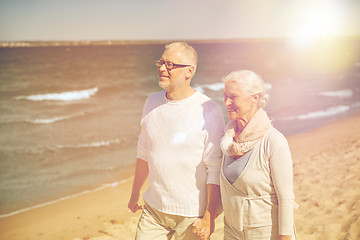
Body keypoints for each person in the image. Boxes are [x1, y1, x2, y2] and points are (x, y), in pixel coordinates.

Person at [128, 42, 225, 240]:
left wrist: (209, 216)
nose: (162, 69)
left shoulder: (209, 110)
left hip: (191, 215)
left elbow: (214, 167)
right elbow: (143, 153)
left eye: (170, 65)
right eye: (161, 63)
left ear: (189, 71)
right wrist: (135, 192)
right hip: (153, 210)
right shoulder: (151, 103)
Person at [220, 70, 296, 240]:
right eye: (225, 96)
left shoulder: (274, 141)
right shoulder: (227, 139)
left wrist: (284, 237)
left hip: (265, 232)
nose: (227, 103)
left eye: (233, 97)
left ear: (254, 98)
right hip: (231, 231)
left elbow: (286, 198)